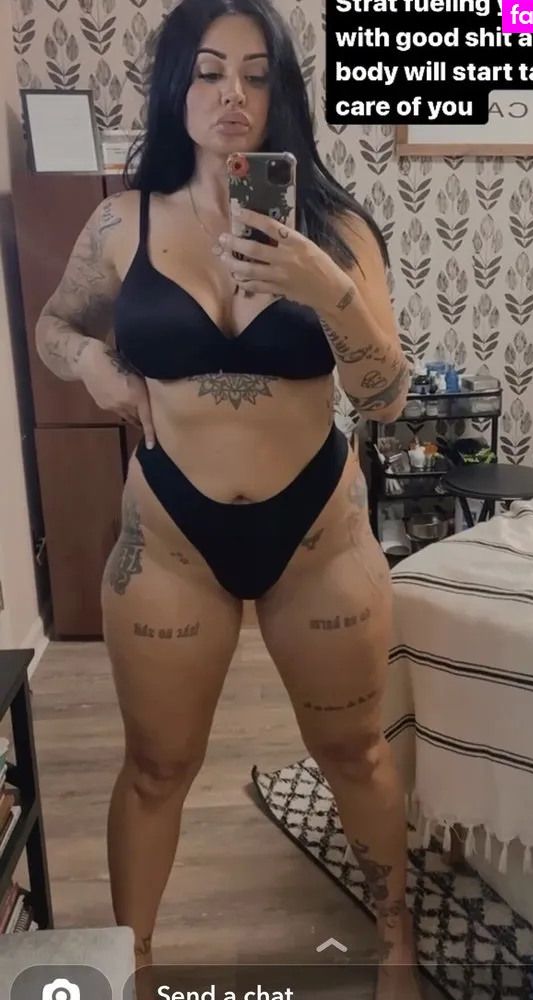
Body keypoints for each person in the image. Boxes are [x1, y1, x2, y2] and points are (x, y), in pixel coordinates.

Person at [35, 0, 416, 995]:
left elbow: (384, 396)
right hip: (169, 537)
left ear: (283, 93)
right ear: (177, 86)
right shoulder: (120, 222)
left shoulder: (336, 228)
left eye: (256, 73)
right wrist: (92, 365)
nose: (232, 94)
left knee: (355, 751)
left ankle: (398, 946)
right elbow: (53, 326)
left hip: (317, 533)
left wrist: (329, 290)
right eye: (208, 71)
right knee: (156, 766)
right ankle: (135, 963)